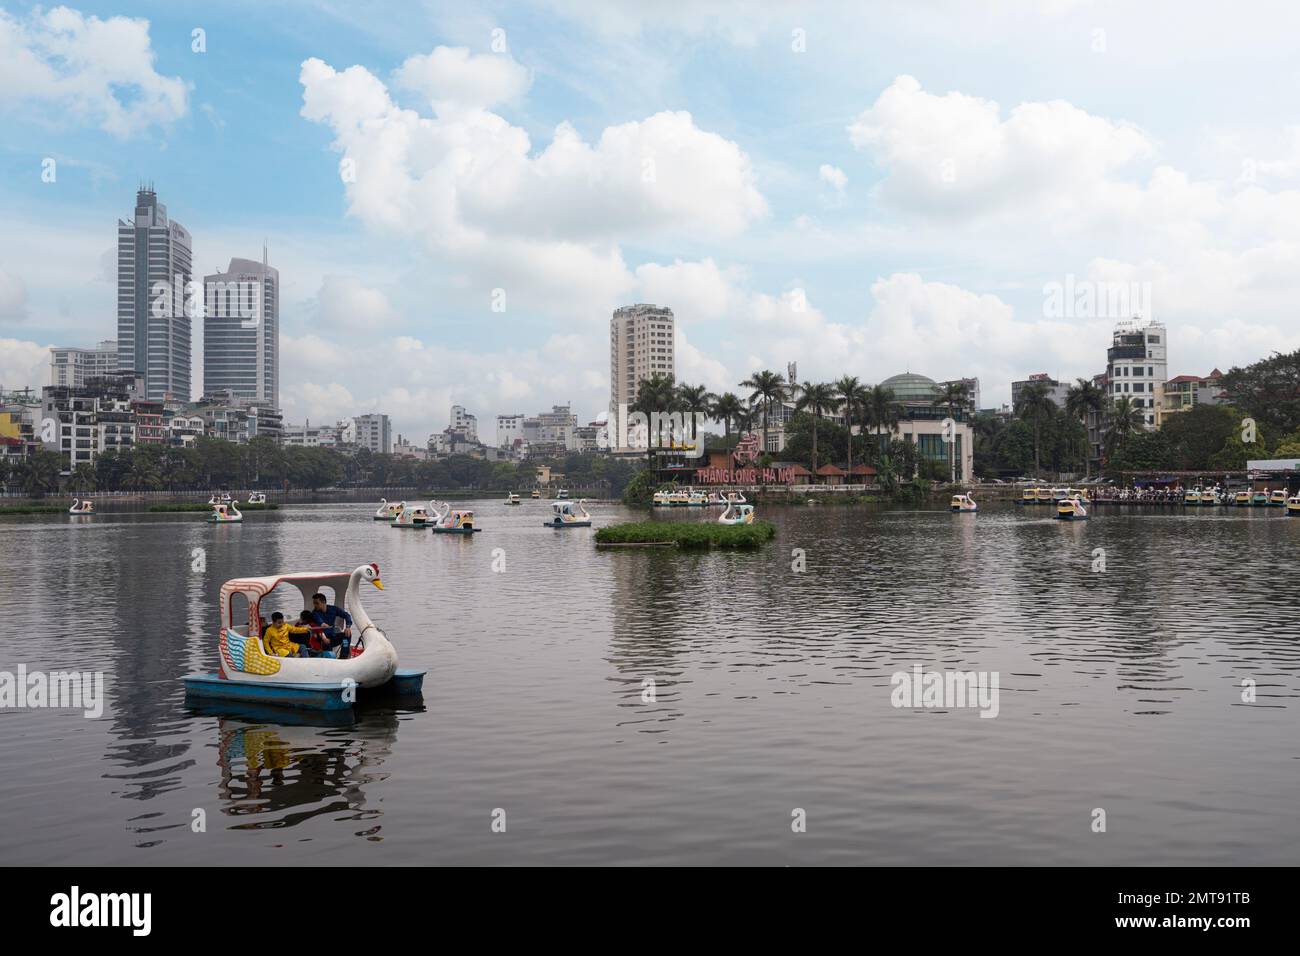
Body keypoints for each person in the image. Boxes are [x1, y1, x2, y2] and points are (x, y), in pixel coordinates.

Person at [310, 592, 354, 658]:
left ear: (324, 602)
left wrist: (348, 627)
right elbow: (318, 619)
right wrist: (322, 624)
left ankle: (343, 657)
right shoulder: (314, 613)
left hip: (332, 637)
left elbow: (346, 615)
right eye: (314, 603)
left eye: (317, 603)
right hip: (322, 639)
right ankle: (330, 659)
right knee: (327, 646)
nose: (315, 605)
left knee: (347, 636)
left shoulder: (333, 609)